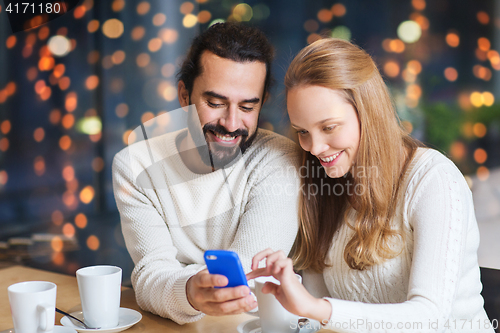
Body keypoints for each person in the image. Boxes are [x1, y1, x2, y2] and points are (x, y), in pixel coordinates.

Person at [247, 38, 494, 333]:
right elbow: (319, 316)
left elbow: (430, 317)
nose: (315, 147)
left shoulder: (434, 180)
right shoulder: (325, 186)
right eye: (303, 131)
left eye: (328, 127)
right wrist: (284, 293)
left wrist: (315, 307)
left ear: (368, 112)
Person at [112, 23, 300, 324]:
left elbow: (247, 282)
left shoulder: (279, 159)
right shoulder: (134, 165)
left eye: (248, 107)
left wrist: (173, 283)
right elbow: (148, 277)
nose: (231, 123)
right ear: (184, 95)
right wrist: (188, 291)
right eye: (215, 103)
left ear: (262, 103)